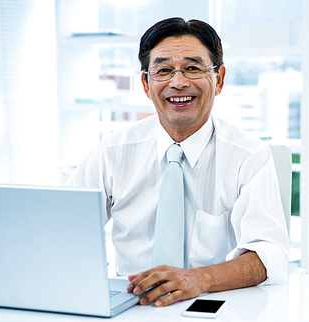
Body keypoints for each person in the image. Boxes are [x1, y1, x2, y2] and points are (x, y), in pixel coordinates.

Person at [66, 17, 290, 307]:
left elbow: (269, 255)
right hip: (131, 307)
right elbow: (65, 228)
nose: (178, 82)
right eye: (163, 70)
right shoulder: (114, 150)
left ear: (219, 79)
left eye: (193, 68)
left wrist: (198, 279)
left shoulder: (249, 156)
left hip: (215, 305)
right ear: (147, 84)